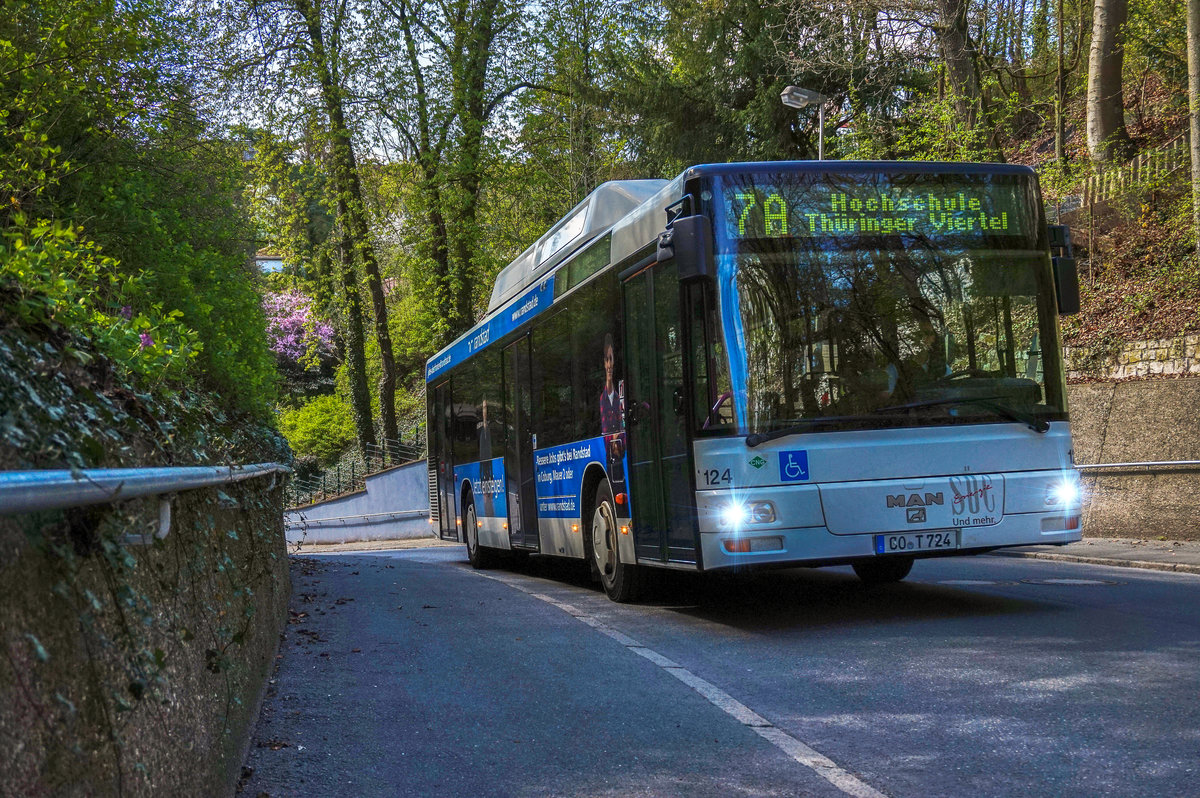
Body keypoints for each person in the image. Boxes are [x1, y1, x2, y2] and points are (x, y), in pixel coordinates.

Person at [599, 333, 627, 496]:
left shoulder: (617, 395)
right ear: (604, 363)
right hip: (614, 463)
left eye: (611, 359)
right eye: (606, 360)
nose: (609, 364)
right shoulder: (604, 399)